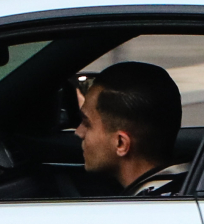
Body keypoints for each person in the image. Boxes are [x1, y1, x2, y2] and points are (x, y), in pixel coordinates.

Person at [76, 61, 188, 196]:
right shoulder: (189, 184)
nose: (78, 132)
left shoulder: (144, 212)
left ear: (121, 143)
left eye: (87, 124)